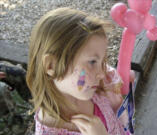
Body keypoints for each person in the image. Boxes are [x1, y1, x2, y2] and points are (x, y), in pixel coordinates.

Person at [26, 7, 134, 135]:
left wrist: (119, 79)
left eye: (102, 61)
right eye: (92, 62)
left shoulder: (89, 88)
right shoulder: (51, 131)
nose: (102, 73)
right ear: (51, 66)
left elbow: (111, 77)